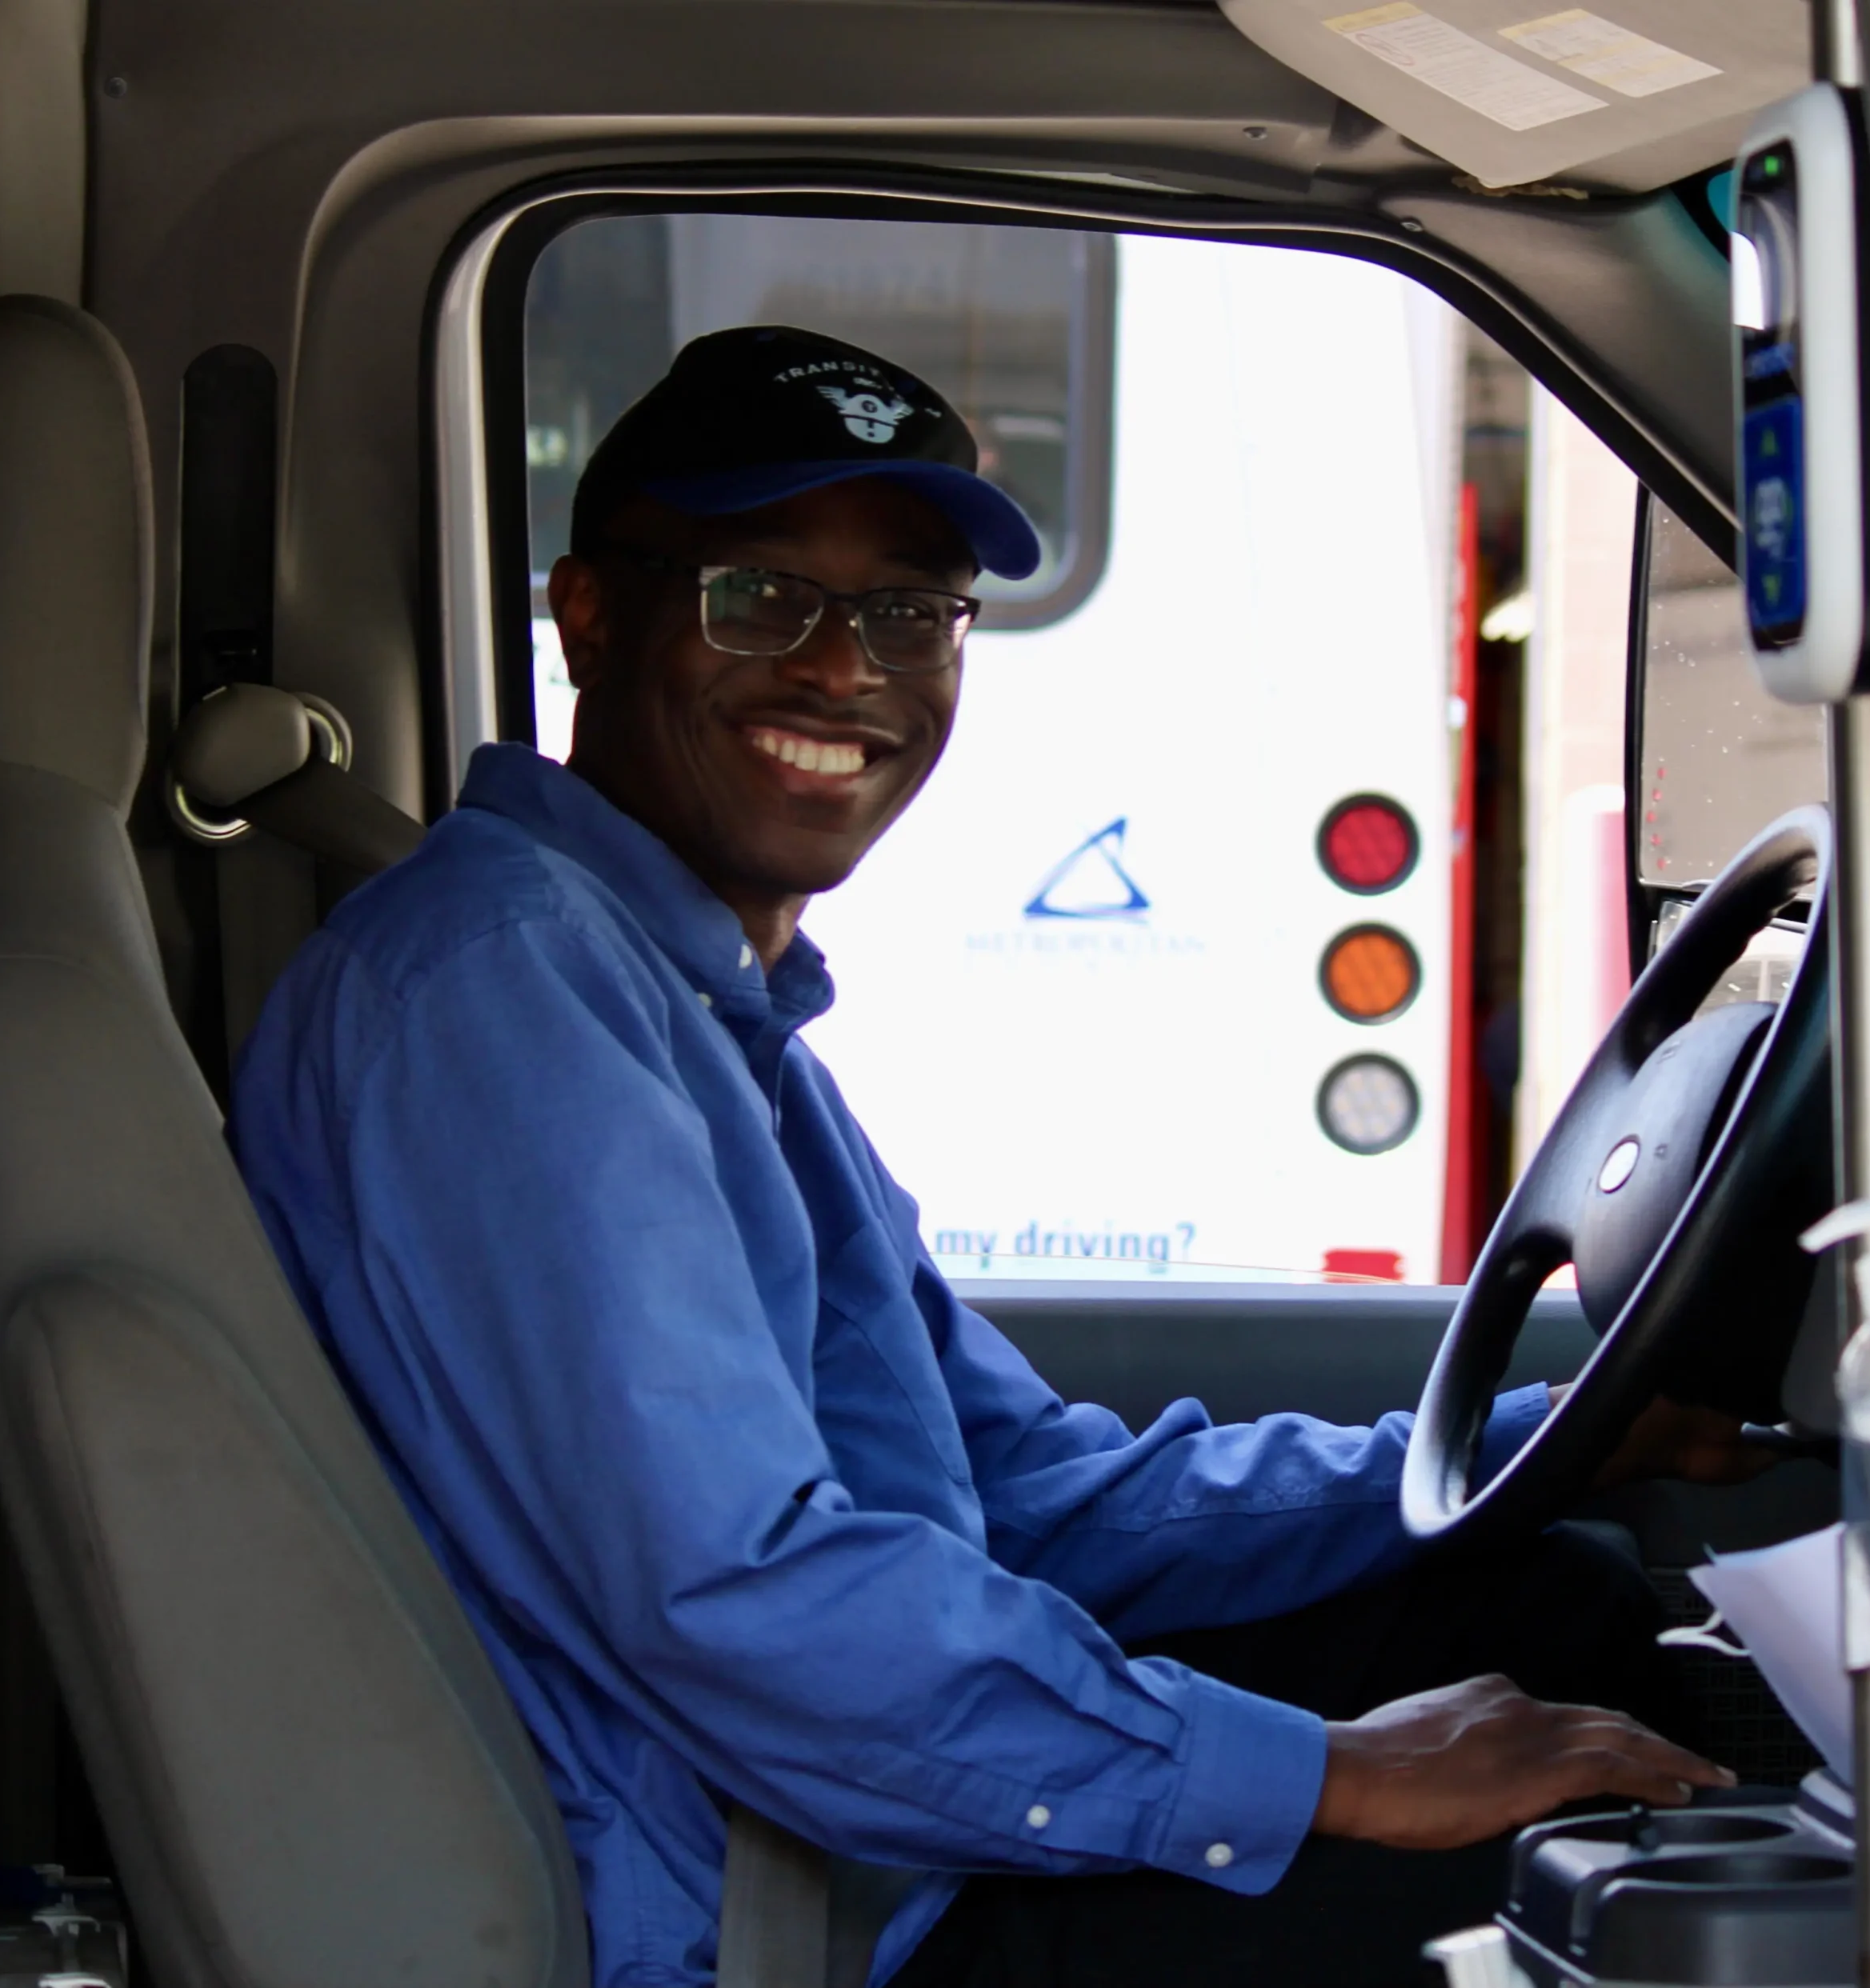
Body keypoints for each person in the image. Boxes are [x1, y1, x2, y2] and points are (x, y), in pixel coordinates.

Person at [230, 325, 1758, 1988]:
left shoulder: (683, 1003)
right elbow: (737, 1596)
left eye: (907, 611)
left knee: (1558, 1604)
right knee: (1624, 1913)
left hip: (835, 1836)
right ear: (589, 616)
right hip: (778, 1916)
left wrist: (1544, 1442)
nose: (841, 672)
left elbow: (1029, 1500)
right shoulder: (500, 994)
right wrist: (1335, 1775)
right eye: (760, 596)